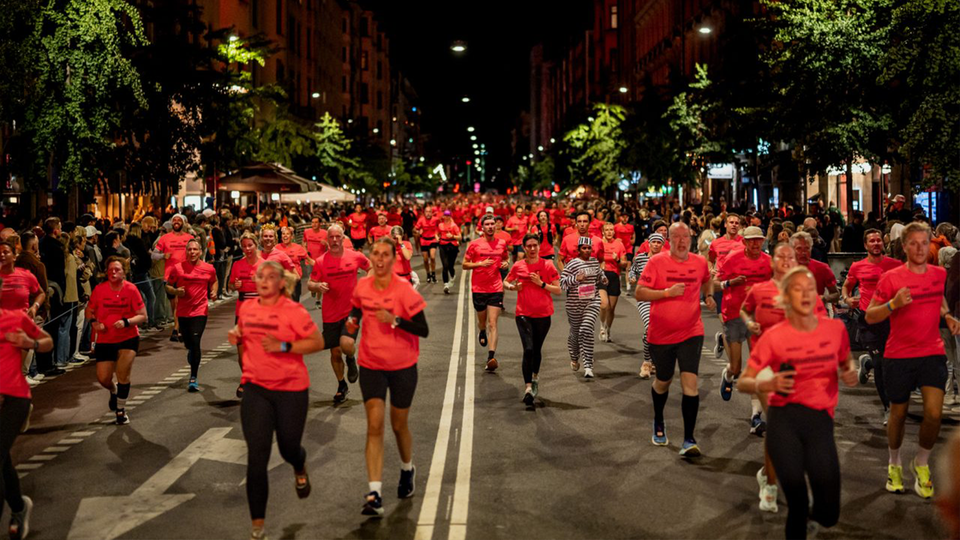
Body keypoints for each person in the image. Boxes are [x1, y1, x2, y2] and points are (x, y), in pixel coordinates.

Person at [737, 266, 858, 540]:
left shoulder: (835, 329)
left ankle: (813, 521)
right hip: (784, 422)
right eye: (797, 289)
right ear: (786, 298)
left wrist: (848, 370)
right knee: (798, 503)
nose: (804, 294)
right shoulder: (774, 336)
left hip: (820, 423)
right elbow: (745, 382)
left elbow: (844, 360)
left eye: (809, 289)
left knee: (828, 513)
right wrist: (765, 384)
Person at [227, 261, 324, 540]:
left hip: (291, 389)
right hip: (256, 390)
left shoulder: (293, 311)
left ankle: (299, 464)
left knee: (288, 446)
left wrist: (284, 347)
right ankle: (258, 528)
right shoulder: (247, 309)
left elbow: (316, 342)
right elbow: (242, 339)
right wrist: (245, 361)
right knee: (257, 458)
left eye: (271, 277)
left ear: (281, 282)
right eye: (260, 277)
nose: (264, 281)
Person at [866, 222, 960, 499]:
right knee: (899, 413)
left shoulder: (938, 273)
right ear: (904, 246)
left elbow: (939, 299)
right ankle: (894, 463)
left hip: (931, 353)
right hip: (899, 355)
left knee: (933, 414)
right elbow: (871, 315)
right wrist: (893, 304)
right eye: (914, 243)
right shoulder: (891, 278)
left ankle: (920, 462)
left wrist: (947, 316)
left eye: (924, 243)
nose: (919, 248)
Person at [340, 238, 429, 516]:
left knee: (398, 424)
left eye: (385, 255)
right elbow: (355, 312)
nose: (379, 259)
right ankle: (375, 493)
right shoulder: (363, 286)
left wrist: (395, 319)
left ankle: (407, 468)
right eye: (375, 254)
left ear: (393, 259)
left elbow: (423, 329)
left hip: (403, 365)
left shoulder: (404, 290)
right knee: (375, 425)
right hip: (371, 364)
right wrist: (349, 333)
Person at [741, 243, 827, 513]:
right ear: (772, 261)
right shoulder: (759, 290)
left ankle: (768, 474)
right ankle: (770, 486)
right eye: (781, 256)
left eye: (791, 256)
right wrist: (749, 323)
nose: (787, 261)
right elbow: (745, 310)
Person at [636, 222, 715, 457]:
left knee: (690, 383)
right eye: (676, 237)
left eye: (686, 236)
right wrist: (666, 293)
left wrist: (709, 295)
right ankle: (659, 420)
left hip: (692, 332)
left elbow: (707, 278)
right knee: (664, 381)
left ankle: (689, 439)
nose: (681, 241)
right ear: (669, 239)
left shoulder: (699, 262)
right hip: (661, 335)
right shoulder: (656, 262)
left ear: (691, 239)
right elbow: (639, 292)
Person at [0, 281, 54, 540]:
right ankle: (19, 508)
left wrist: (29, 343)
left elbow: (47, 342)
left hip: (13, 399)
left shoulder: (14, 318)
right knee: (3, 462)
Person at [841, 228, 903, 423]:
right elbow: (846, 286)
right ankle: (888, 408)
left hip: (891, 319)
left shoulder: (895, 265)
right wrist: (847, 298)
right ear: (866, 245)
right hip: (868, 319)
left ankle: (866, 362)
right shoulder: (857, 266)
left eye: (878, 240)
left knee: (892, 364)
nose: (876, 244)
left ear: (883, 243)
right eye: (872, 241)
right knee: (880, 364)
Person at [716, 226, 772, 434]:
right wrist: (729, 282)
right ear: (744, 242)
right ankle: (728, 375)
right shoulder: (732, 259)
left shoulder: (768, 261)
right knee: (737, 367)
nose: (756, 244)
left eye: (759, 240)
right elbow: (714, 283)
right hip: (735, 314)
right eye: (751, 241)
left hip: (759, 317)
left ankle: (755, 416)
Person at [308, 224, 370, 404]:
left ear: (343, 238)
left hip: (351, 310)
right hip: (330, 313)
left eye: (338, 237)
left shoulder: (355, 256)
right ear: (327, 240)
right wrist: (317, 286)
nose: (334, 240)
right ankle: (341, 385)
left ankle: (351, 358)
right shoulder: (321, 261)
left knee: (347, 343)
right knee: (335, 352)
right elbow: (310, 283)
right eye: (331, 237)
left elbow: (370, 267)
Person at [86, 257, 148, 425]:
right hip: (105, 340)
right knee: (103, 378)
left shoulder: (131, 289)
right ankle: (113, 390)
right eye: (110, 269)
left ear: (124, 272)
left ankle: (120, 410)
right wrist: (94, 324)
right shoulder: (99, 290)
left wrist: (127, 322)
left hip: (128, 338)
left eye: (117, 269)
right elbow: (89, 311)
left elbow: (143, 315)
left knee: (123, 373)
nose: (113, 272)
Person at [504, 234, 562, 406]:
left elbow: (558, 290)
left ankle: (535, 376)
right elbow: (505, 282)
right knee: (528, 348)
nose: (532, 249)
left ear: (539, 246)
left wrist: (541, 283)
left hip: (543, 315)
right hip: (523, 313)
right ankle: (528, 387)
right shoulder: (518, 265)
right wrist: (514, 287)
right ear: (523, 247)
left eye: (535, 245)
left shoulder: (548, 265)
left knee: (536, 349)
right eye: (528, 246)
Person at [166, 239, 218, 392]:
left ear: (200, 251)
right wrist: (176, 291)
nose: (192, 252)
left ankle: (193, 377)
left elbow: (214, 281)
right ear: (186, 252)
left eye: (195, 250)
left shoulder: (209, 268)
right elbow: (168, 286)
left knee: (195, 341)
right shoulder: (178, 268)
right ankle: (191, 351)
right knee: (189, 343)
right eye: (190, 250)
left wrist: (214, 291)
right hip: (183, 311)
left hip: (200, 310)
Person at [463, 215, 510, 372]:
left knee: (493, 323)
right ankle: (481, 330)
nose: (490, 226)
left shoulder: (502, 243)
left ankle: (491, 357)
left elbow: (505, 258)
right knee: (483, 322)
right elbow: (464, 264)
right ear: (482, 228)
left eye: (492, 224)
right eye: (487, 224)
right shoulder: (474, 245)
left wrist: (505, 264)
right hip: (479, 289)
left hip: (496, 288)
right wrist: (480, 264)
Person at [560, 237, 606, 379]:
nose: (586, 250)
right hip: (574, 305)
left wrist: (603, 278)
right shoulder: (572, 264)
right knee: (575, 334)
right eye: (584, 248)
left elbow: (599, 274)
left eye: (589, 248)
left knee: (586, 329)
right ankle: (574, 357)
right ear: (579, 249)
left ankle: (588, 366)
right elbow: (562, 283)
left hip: (592, 301)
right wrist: (575, 279)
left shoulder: (594, 262)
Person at [229, 233, 263, 399]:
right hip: (242, 311)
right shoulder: (237, 265)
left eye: (250, 245)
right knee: (242, 352)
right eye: (244, 246)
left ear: (256, 245)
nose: (248, 249)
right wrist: (235, 285)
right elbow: (229, 285)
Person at [628, 233, 665, 379]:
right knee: (649, 327)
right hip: (644, 298)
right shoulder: (640, 258)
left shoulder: (666, 259)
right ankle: (646, 362)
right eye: (653, 242)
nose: (656, 244)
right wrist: (631, 277)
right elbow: (633, 269)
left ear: (662, 245)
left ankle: (654, 359)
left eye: (658, 242)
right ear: (648, 243)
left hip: (661, 298)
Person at [709, 214, 744, 354]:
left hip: (737, 286)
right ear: (725, 225)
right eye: (731, 222)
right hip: (720, 284)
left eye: (737, 222)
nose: (734, 225)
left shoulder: (744, 243)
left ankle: (722, 340)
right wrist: (710, 268)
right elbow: (710, 259)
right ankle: (733, 369)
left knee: (738, 327)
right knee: (726, 324)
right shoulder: (716, 243)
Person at [155, 214, 192, 342]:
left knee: (179, 302)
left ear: (184, 223)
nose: (176, 222)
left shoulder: (189, 238)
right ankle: (179, 326)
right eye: (174, 220)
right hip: (169, 275)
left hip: (185, 275)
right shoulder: (164, 238)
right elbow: (153, 255)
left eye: (179, 220)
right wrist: (162, 256)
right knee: (174, 305)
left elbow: (198, 252)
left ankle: (176, 329)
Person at [598, 222, 628, 342]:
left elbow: (624, 264)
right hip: (601, 275)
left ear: (614, 232)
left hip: (614, 276)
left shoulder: (619, 244)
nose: (609, 232)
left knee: (611, 308)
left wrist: (618, 259)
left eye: (611, 230)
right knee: (604, 304)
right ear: (603, 232)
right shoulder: (598, 244)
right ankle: (601, 327)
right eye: (607, 230)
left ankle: (607, 329)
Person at [276, 226, 313, 303]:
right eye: (283, 234)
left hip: (295, 281)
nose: (285, 236)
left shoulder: (298, 248)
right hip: (282, 281)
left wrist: (322, 267)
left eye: (287, 234)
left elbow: (309, 260)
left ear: (292, 236)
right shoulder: (276, 248)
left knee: (294, 304)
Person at [303, 216, 328, 309]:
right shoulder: (306, 232)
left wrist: (326, 244)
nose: (314, 224)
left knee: (319, 280)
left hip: (320, 261)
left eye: (316, 222)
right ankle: (313, 289)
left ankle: (318, 301)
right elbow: (303, 242)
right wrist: (305, 252)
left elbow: (330, 247)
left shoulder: (325, 233)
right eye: (312, 222)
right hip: (309, 260)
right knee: (312, 279)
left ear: (320, 224)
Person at [437, 211, 461, 294]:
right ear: (443, 216)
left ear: (450, 216)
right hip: (443, 245)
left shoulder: (454, 226)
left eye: (448, 215)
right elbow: (437, 233)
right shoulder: (440, 225)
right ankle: (446, 285)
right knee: (445, 265)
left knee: (450, 266)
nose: (446, 217)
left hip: (452, 246)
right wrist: (437, 237)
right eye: (445, 215)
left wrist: (453, 236)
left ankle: (453, 276)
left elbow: (460, 237)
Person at [414, 207, 440, 283]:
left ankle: (433, 274)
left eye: (429, 212)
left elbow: (440, 226)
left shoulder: (436, 219)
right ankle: (428, 274)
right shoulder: (421, 220)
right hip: (424, 241)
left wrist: (438, 234)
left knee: (432, 257)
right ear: (424, 212)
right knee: (425, 259)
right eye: (426, 212)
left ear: (432, 212)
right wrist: (418, 232)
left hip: (432, 240)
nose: (428, 213)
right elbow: (415, 229)